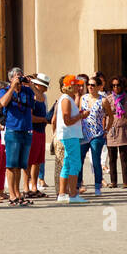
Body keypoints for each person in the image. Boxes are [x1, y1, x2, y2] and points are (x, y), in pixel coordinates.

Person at [0, 67, 36, 205]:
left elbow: (41, 99)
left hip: (26, 130)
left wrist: (30, 84)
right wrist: (12, 87)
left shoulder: (27, 90)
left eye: (20, 76)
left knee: (20, 165)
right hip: (13, 130)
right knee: (11, 165)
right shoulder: (4, 90)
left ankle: (18, 193)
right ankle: (12, 195)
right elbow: (2, 103)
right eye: (17, 76)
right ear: (10, 78)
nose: (19, 78)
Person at [54, 75, 89, 204]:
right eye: (76, 85)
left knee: (68, 164)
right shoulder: (66, 99)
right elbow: (67, 120)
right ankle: (73, 194)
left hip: (69, 135)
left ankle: (63, 193)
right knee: (74, 164)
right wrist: (81, 115)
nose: (78, 87)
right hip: (70, 135)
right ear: (69, 86)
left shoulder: (67, 98)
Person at [80, 75, 108, 195]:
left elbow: (110, 116)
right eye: (89, 85)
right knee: (79, 160)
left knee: (96, 161)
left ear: (98, 87)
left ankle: (98, 186)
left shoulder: (103, 100)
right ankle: (79, 184)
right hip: (83, 133)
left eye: (93, 85)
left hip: (97, 134)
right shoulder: (83, 98)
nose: (90, 87)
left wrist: (106, 129)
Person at [105, 76, 127, 188]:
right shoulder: (108, 99)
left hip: (123, 128)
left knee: (124, 156)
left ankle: (126, 182)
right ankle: (113, 181)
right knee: (112, 157)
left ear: (123, 85)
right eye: (113, 85)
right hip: (111, 129)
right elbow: (104, 114)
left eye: (118, 85)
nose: (116, 87)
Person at [27, 74, 50, 196]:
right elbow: (30, 117)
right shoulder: (31, 96)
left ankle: (34, 186)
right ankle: (27, 187)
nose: (46, 88)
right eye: (44, 86)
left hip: (41, 131)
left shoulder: (42, 97)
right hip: (33, 131)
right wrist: (43, 119)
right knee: (30, 161)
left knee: (37, 161)